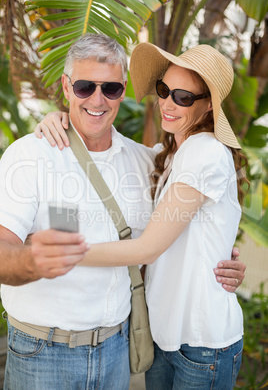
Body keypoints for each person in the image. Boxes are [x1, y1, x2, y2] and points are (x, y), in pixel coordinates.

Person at [0, 33, 244, 390]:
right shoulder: (30, 155)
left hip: (118, 352)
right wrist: (35, 259)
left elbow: (167, 240)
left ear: (123, 90)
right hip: (43, 354)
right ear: (66, 87)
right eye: (84, 87)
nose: (97, 99)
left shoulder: (146, 161)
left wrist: (226, 260)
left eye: (110, 89)